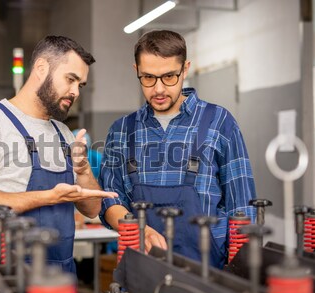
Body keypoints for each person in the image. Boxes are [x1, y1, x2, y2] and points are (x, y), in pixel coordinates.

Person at [0, 35, 117, 274]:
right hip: (9, 276)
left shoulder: (64, 134)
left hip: (61, 274)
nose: (75, 92)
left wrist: (82, 171)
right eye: (70, 79)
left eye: (80, 85)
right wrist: (48, 197)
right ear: (41, 67)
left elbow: (91, 209)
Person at [98, 30, 256, 268]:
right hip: (143, 271)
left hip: (210, 273)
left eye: (170, 76)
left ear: (185, 69)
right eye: (148, 78)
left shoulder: (219, 121)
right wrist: (139, 231)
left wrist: (241, 277)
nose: (159, 89)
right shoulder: (121, 130)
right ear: (136, 71)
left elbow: (243, 207)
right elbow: (109, 201)